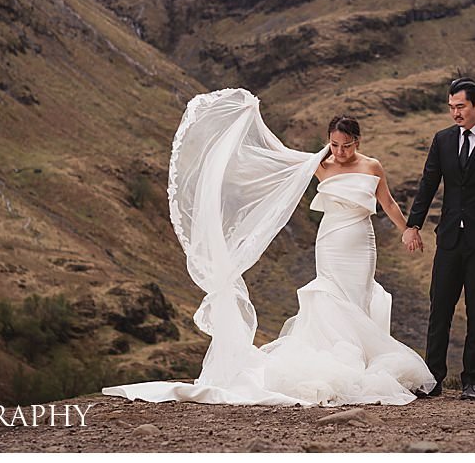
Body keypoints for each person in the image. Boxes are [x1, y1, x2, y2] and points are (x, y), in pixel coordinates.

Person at [103, 88, 435, 406]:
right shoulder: (320, 162)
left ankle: (361, 360)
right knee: (329, 296)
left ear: (357, 142)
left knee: (357, 297)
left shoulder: (372, 165)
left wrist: (407, 230)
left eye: (346, 146)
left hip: (361, 244)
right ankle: (339, 360)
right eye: (334, 145)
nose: (339, 152)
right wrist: (252, 117)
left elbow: (387, 202)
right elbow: (278, 157)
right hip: (330, 241)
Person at [402, 78, 475, 400]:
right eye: (451, 107)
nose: (455, 113)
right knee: (439, 308)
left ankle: (472, 381)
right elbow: (428, 184)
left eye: (461, 107)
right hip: (450, 240)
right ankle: (434, 379)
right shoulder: (442, 140)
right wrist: (413, 225)